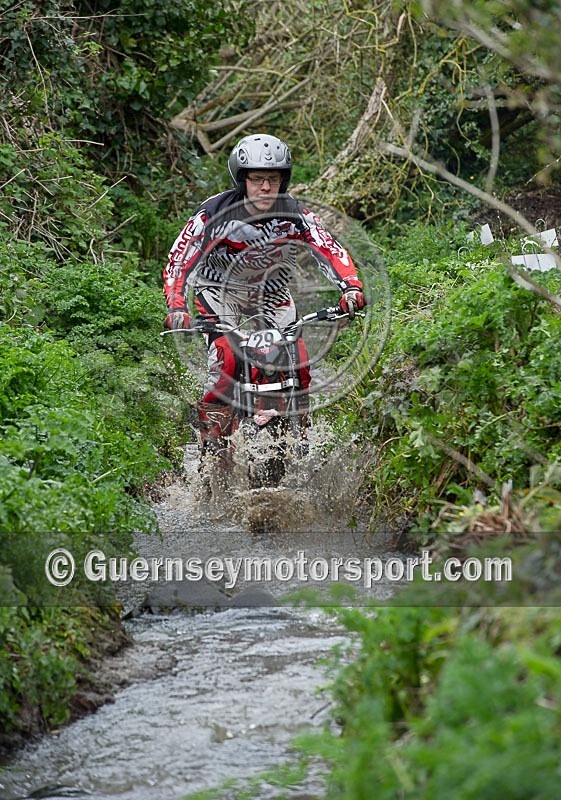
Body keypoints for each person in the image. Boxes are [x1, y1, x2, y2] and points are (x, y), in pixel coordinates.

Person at [163, 133, 365, 461]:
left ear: (283, 181)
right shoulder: (214, 212)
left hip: (270, 292)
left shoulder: (296, 213)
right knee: (227, 358)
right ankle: (212, 444)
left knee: (296, 358)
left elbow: (327, 246)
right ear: (242, 180)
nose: (265, 188)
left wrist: (351, 287)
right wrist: (175, 304)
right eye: (257, 179)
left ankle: (300, 431)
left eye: (273, 179)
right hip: (218, 289)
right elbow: (180, 258)